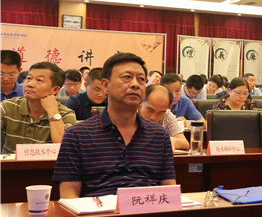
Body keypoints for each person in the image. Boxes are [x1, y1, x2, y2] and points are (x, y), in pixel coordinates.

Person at [54, 52, 176, 198]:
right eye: (127, 77)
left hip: (148, 209)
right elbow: (69, 194)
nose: (135, 84)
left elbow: (170, 192)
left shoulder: (160, 136)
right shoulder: (76, 135)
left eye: (141, 79)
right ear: (106, 85)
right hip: (98, 210)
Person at [1, 61, 77, 154]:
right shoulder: (7, 106)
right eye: (29, 78)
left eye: (39, 80)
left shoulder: (66, 114)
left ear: (55, 89)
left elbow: (64, 148)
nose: (30, 84)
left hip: (46, 163)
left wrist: (53, 112)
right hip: (10, 162)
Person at [140, 84, 189, 151]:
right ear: (141, 102)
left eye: (160, 112)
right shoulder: (130, 115)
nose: (154, 117)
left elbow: (185, 143)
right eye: (150, 110)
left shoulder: (167, 115)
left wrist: (172, 141)